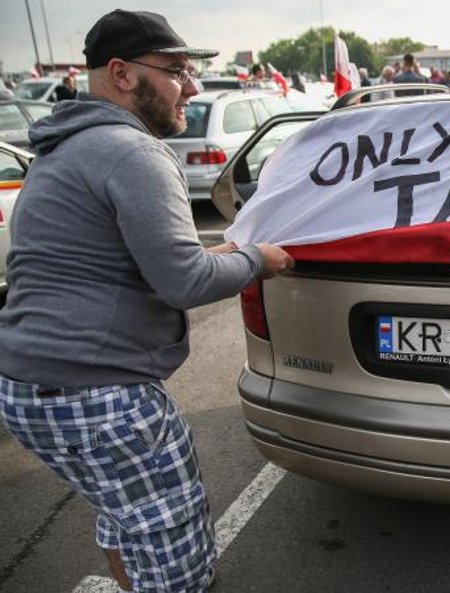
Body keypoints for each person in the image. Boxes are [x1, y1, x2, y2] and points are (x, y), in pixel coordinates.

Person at [0, 9, 295, 592]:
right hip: (99, 395)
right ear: (122, 73)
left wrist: (224, 249)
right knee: (175, 553)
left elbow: (129, 255)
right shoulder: (132, 152)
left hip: (28, 388)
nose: (192, 86)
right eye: (177, 71)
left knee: (127, 518)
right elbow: (183, 281)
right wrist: (260, 259)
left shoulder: (64, 147)